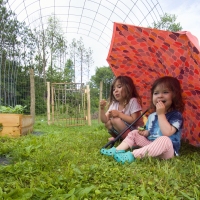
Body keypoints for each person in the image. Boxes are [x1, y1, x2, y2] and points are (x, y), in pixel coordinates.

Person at [100, 76, 185, 164]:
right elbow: (149, 132)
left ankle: (132, 155)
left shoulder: (176, 115)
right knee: (134, 133)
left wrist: (161, 114)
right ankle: (117, 150)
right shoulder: (152, 116)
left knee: (165, 139)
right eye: (156, 93)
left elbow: (167, 133)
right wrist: (145, 132)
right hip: (150, 145)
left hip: (167, 150)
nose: (160, 96)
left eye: (165, 92)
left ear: (175, 95)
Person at [100, 75, 143, 141]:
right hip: (125, 129)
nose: (115, 91)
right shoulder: (115, 104)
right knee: (108, 123)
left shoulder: (133, 101)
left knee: (116, 120)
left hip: (136, 131)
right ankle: (120, 138)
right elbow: (104, 120)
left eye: (119, 87)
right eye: (114, 89)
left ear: (128, 88)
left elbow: (134, 121)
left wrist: (119, 114)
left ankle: (132, 141)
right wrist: (102, 109)